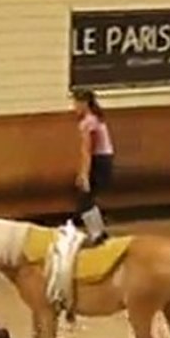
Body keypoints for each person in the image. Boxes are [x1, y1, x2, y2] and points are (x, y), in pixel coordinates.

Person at [72, 89, 114, 246]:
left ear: (84, 104)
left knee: (84, 199)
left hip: (99, 160)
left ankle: (97, 235)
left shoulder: (88, 123)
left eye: (76, 103)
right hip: (104, 159)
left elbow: (87, 150)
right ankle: (99, 233)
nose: (74, 107)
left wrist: (84, 174)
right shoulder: (97, 119)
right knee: (87, 199)